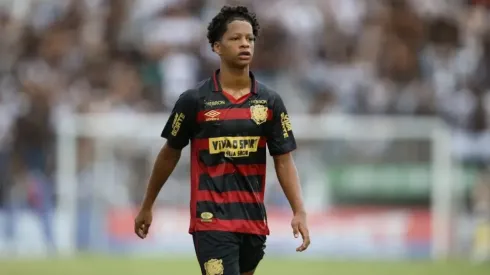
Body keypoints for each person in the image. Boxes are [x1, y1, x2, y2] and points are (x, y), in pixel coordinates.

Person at [134, 5, 310, 275]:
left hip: (253, 220)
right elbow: (169, 153)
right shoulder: (194, 101)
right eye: (235, 38)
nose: (245, 44)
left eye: (249, 38)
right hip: (211, 220)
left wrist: (299, 210)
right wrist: (147, 205)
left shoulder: (269, 101)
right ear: (217, 47)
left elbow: (283, 160)